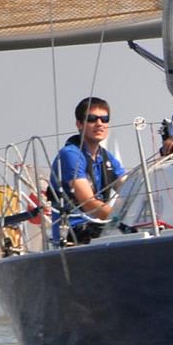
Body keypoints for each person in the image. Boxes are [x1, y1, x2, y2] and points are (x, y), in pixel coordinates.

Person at [49, 97, 127, 245]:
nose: (99, 124)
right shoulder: (70, 155)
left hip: (100, 227)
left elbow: (129, 187)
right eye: (92, 119)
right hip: (74, 232)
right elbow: (88, 203)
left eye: (104, 119)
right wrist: (121, 220)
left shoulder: (106, 157)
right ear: (79, 124)